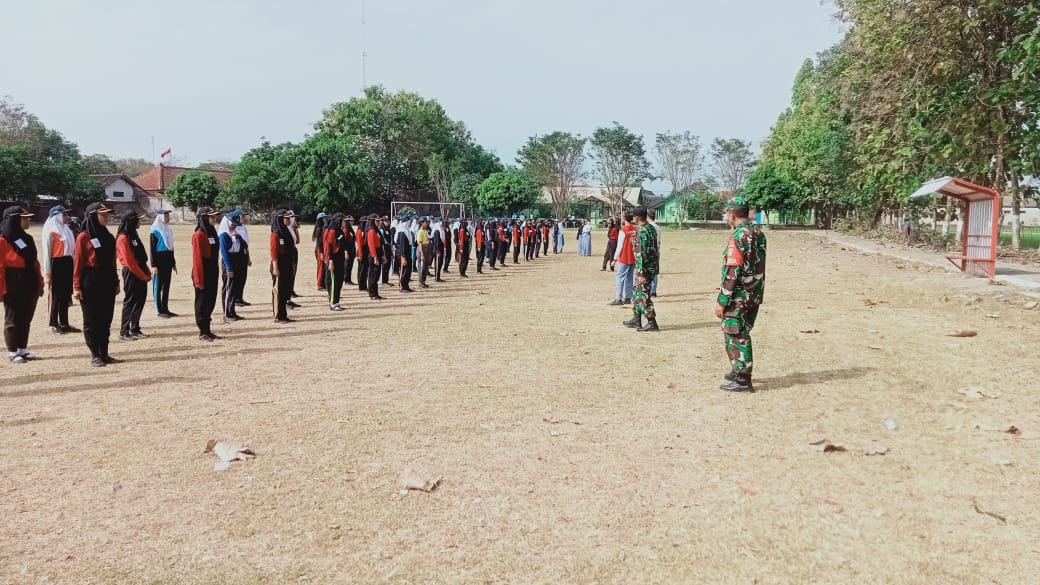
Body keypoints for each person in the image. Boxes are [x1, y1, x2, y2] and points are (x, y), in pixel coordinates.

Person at [715, 197, 766, 392]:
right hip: (754, 293)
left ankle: (743, 379)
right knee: (740, 330)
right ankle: (738, 368)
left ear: (732, 214)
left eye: (727, 213)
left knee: (737, 334)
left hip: (738, 295)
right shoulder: (758, 233)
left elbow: (732, 270)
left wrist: (722, 300)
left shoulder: (738, 236)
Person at [73, 203, 120, 366]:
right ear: (93, 215)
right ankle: (95, 355)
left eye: (107, 214)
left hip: (107, 279)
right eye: (103, 214)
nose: (107, 217)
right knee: (92, 319)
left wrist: (116, 281)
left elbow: (112, 262)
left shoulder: (108, 236)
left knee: (106, 319)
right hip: (90, 280)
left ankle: (105, 352)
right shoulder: (83, 237)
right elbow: (78, 263)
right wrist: (77, 286)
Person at [1, 206, 44, 364]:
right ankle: (13, 351)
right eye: (24, 218)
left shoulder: (28, 239)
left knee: (26, 317)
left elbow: (35, 263)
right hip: (13, 282)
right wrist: (2, 289)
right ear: (14, 220)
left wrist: (40, 282)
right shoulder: (2, 240)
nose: (28, 220)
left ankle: (22, 348)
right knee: (13, 318)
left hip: (29, 281)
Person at [40, 205, 78, 335]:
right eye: (64, 215)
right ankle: (54, 323)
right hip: (56, 263)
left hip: (67, 262)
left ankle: (64, 323)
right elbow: (47, 254)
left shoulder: (66, 229)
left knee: (66, 294)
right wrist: (47, 273)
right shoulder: (50, 231)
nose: (67, 217)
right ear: (57, 216)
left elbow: (72, 250)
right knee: (56, 295)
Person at [623, 206, 660, 332]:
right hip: (650, 267)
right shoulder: (651, 228)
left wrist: (641, 273)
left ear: (637, 217)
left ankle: (651, 322)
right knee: (636, 293)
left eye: (634, 216)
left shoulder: (642, 231)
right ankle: (636, 318)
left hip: (644, 269)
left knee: (643, 295)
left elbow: (641, 254)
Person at [115, 212, 151, 340]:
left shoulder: (133, 235)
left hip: (139, 270)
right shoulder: (123, 237)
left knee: (140, 300)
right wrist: (142, 275)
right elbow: (129, 261)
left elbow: (140, 257)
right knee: (130, 301)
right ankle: (124, 331)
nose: (140, 222)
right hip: (131, 272)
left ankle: (135, 328)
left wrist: (146, 270)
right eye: (138, 220)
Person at [192, 207, 222, 341]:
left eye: (215, 216)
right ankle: (202, 331)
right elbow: (197, 259)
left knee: (210, 301)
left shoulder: (211, 232)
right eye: (212, 217)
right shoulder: (199, 234)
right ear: (204, 217)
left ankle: (208, 329)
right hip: (202, 271)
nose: (214, 219)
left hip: (212, 271)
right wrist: (199, 280)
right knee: (202, 302)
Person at [217, 210, 249, 322]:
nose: (234, 226)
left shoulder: (234, 233)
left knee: (234, 287)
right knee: (228, 287)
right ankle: (227, 313)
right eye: (233, 224)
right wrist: (229, 268)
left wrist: (239, 237)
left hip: (237, 260)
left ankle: (232, 310)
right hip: (229, 261)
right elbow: (224, 253)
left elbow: (244, 245)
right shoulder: (223, 235)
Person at [149, 208, 177, 318]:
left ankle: (165, 308)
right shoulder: (154, 230)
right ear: (160, 217)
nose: (168, 218)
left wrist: (173, 262)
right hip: (158, 259)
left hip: (167, 259)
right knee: (158, 285)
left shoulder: (168, 230)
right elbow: (152, 249)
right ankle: (159, 310)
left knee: (166, 285)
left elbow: (171, 247)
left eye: (168, 216)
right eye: (165, 216)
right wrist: (154, 265)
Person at [270, 209, 295, 323]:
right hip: (279, 263)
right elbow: (274, 251)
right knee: (279, 290)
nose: (289, 219)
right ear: (280, 218)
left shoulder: (286, 231)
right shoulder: (276, 233)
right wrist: (275, 267)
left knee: (285, 290)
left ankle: (283, 314)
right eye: (286, 217)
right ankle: (278, 315)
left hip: (287, 262)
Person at [610, 212, 636, 305]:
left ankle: (618, 298)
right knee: (629, 277)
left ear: (624, 219)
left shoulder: (623, 230)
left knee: (620, 277)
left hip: (625, 257)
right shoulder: (635, 229)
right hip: (633, 257)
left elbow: (619, 246)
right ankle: (628, 297)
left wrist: (614, 259)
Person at [323, 213, 346, 310]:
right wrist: (330, 261)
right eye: (343, 220)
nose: (344, 222)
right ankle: (332, 303)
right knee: (334, 281)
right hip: (334, 258)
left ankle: (336, 301)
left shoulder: (340, 231)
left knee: (340, 281)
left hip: (340, 258)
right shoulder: (332, 231)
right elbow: (329, 246)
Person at [364, 214, 385, 300]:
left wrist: (383, 255)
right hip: (373, 255)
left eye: (379, 221)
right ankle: (372, 293)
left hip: (378, 253)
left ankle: (376, 293)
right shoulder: (371, 231)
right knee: (373, 274)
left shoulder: (376, 230)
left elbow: (380, 244)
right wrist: (375, 257)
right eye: (377, 221)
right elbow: (371, 245)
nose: (379, 222)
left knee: (376, 275)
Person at [395, 216, 415, 292]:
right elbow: (402, 246)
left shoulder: (406, 231)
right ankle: (403, 286)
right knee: (404, 270)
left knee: (408, 270)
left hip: (407, 253)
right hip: (403, 254)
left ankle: (406, 285)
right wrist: (403, 257)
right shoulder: (402, 232)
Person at [287, 211, 301, 301]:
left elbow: (297, 241)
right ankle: (288, 292)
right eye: (292, 217)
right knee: (289, 272)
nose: (293, 219)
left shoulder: (292, 228)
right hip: (289, 252)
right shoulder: (285, 228)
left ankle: (291, 289)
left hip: (294, 250)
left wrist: (295, 229)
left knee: (293, 271)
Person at [647, 209, 661, 297]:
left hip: (649, 251)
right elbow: (659, 241)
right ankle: (653, 291)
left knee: (647, 270)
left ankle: (649, 289)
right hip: (656, 250)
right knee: (655, 271)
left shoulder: (648, 227)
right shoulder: (658, 227)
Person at [313, 212, 328, 291]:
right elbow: (319, 242)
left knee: (324, 268)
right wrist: (321, 253)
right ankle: (319, 285)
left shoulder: (322, 228)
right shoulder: (319, 229)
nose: (326, 219)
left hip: (321, 250)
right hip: (320, 250)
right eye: (324, 218)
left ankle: (323, 284)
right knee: (321, 267)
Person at [417, 217, 432, 288]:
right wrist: (422, 254)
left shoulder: (425, 231)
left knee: (425, 266)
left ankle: (423, 281)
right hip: (422, 248)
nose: (427, 223)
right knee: (422, 266)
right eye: (425, 222)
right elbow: (420, 244)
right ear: (422, 223)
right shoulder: (420, 231)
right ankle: (420, 282)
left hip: (427, 247)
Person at [343, 215, 358, 285]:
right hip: (348, 250)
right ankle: (346, 280)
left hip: (351, 249)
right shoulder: (346, 230)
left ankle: (348, 279)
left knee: (350, 265)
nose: (352, 222)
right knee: (347, 265)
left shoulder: (350, 229)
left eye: (353, 220)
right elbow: (345, 242)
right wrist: (346, 251)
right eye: (351, 221)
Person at [379, 215, 394, 285]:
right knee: (384, 265)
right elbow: (383, 240)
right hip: (384, 248)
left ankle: (386, 280)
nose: (387, 222)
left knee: (388, 265)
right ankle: (384, 281)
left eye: (388, 220)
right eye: (385, 221)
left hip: (389, 248)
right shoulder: (382, 229)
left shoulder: (389, 229)